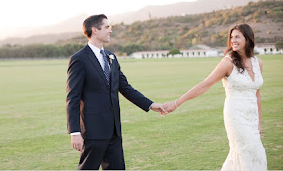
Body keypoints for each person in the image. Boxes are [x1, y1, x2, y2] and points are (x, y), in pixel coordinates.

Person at [66, 14, 166, 170]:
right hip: (93, 131)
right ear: (95, 30)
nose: (110, 30)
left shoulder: (110, 56)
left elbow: (125, 87)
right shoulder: (79, 59)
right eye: (107, 27)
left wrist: (151, 105)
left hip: (114, 131)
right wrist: (74, 132)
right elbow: (72, 97)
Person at [163, 23, 267, 170]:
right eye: (231, 37)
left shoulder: (258, 63)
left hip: (252, 116)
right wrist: (176, 102)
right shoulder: (228, 62)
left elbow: (257, 94)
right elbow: (204, 85)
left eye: (237, 37)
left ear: (248, 39)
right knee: (248, 151)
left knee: (252, 153)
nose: (233, 40)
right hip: (236, 115)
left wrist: (259, 122)